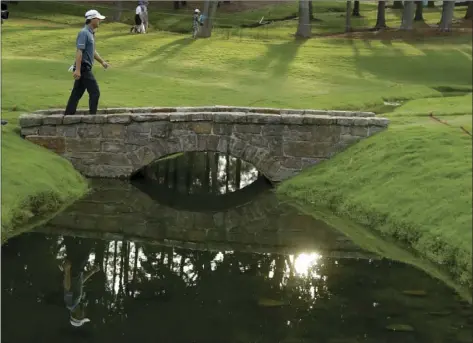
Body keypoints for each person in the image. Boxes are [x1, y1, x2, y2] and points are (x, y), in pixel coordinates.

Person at [64, 9, 110, 116]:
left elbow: (92, 51)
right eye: (98, 19)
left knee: (76, 94)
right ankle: (92, 117)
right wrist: (78, 70)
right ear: (92, 19)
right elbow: (79, 51)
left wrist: (102, 62)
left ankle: (68, 115)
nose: (99, 21)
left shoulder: (90, 34)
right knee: (95, 92)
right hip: (84, 68)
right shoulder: (84, 33)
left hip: (85, 67)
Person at [60, 237, 100, 328]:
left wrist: (67, 270)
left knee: (83, 246)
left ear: (77, 316)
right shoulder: (76, 302)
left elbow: (67, 288)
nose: (84, 314)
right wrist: (92, 271)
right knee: (77, 246)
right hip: (77, 270)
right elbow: (80, 282)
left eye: (82, 316)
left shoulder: (70, 304)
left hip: (74, 270)